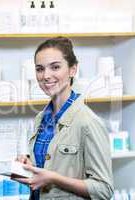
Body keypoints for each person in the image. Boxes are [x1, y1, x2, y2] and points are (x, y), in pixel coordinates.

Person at [15, 37, 113, 199]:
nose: (46, 75)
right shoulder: (41, 118)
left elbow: (104, 189)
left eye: (55, 67)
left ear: (73, 69)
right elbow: (49, 166)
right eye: (40, 69)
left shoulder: (88, 122)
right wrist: (29, 166)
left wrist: (53, 178)